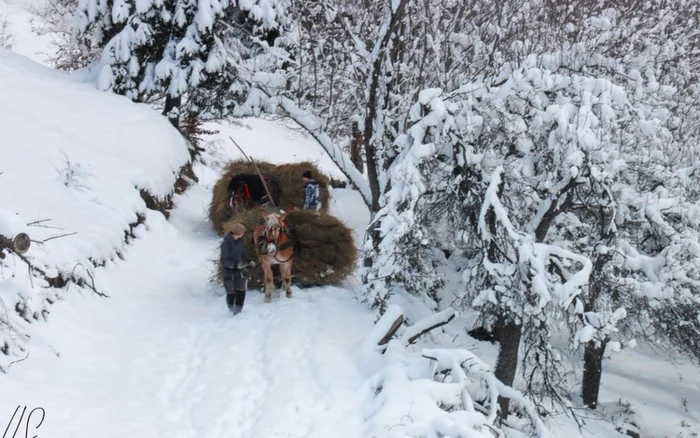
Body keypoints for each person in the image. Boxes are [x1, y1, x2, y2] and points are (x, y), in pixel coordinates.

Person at [220, 223, 255, 315]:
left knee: (241, 290)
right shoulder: (226, 243)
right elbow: (224, 259)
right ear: (237, 233)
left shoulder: (240, 241)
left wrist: (249, 260)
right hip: (229, 271)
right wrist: (235, 265)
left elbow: (243, 252)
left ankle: (238, 311)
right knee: (231, 293)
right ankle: (230, 308)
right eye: (242, 232)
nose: (243, 234)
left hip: (239, 270)